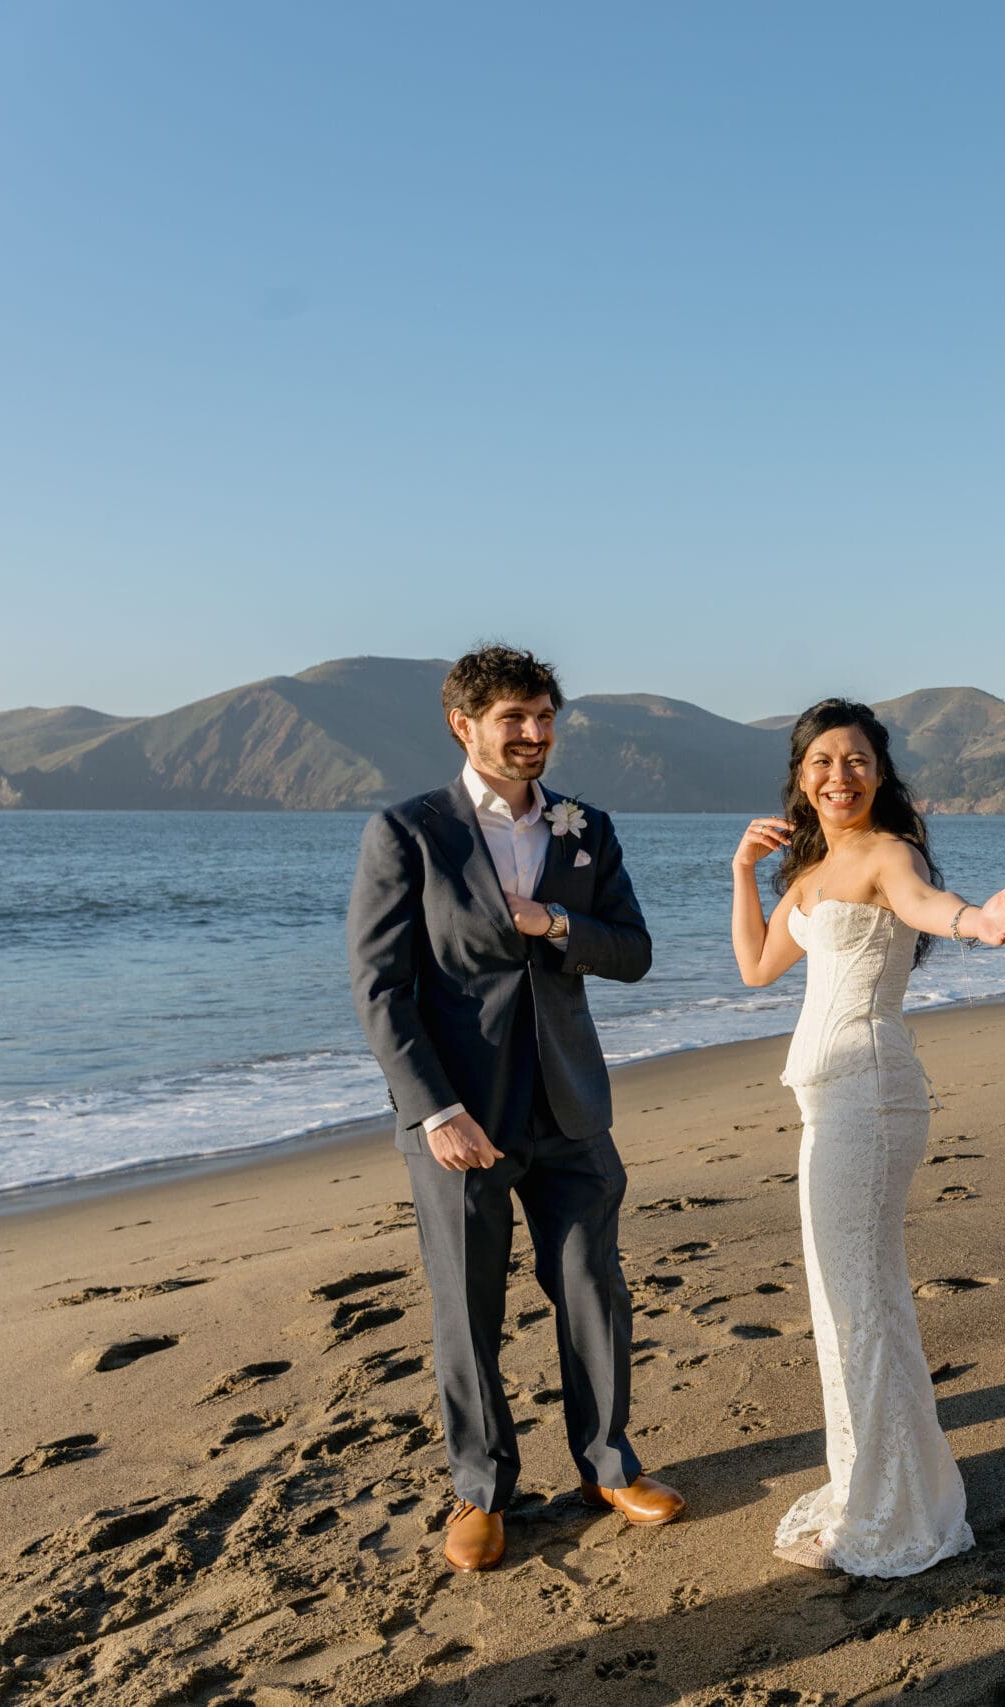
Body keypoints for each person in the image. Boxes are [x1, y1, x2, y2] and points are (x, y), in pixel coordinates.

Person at [346, 644, 684, 1574]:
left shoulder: (587, 828)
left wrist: (558, 925)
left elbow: (634, 950)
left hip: (572, 1106)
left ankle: (608, 1466)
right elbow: (383, 991)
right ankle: (481, 1490)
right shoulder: (407, 831)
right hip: (463, 1119)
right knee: (468, 1304)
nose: (534, 735)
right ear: (465, 725)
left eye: (544, 717)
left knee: (595, 1289)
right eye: (514, 720)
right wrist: (433, 1110)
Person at [729, 697, 1005, 1575]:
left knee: (857, 1302)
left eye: (857, 760)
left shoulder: (886, 855)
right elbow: (755, 969)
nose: (840, 775)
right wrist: (742, 872)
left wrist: (977, 920)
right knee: (848, 1301)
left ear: (880, 772)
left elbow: (927, 903)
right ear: (800, 778)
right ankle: (885, 1487)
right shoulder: (809, 873)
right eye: (822, 761)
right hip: (827, 1101)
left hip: (870, 1094)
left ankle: (889, 1511)